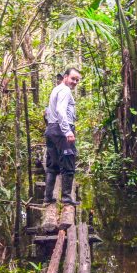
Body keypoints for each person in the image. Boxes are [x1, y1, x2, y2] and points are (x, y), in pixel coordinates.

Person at [43, 68, 82, 206]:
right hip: (61, 131)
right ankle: (66, 198)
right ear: (65, 77)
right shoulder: (65, 90)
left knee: (52, 165)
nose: (75, 82)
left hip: (52, 129)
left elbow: (48, 111)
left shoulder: (56, 89)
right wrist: (67, 131)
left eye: (77, 80)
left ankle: (48, 197)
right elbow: (60, 110)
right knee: (68, 163)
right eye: (73, 78)